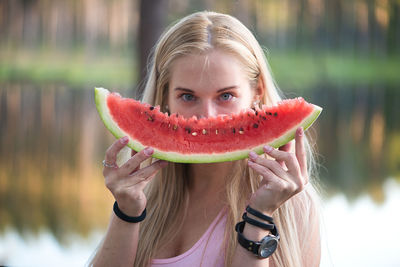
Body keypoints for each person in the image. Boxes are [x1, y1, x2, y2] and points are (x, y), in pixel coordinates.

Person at [90, 11, 321, 267]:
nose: (207, 117)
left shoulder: (292, 206)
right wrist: (126, 212)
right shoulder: (141, 194)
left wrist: (259, 218)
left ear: (257, 92)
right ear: (165, 97)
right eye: (188, 97)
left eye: (226, 96)